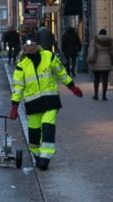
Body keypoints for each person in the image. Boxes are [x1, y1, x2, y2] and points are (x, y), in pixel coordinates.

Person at [10, 36, 83, 169]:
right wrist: (14, 106)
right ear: (24, 48)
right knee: (34, 133)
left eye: (32, 45)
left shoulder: (48, 56)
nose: (30, 48)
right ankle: (37, 155)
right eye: (27, 46)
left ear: (36, 45)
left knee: (48, 127)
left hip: (50, 101)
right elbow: (18, 87)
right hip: (33, 103)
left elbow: (61, 73)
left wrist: (71, 86)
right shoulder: (21, 65)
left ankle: (45, 158)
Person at [87, 28, 113, 100]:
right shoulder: (109, 41)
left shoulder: (95, 41)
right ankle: (104, 96)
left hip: (96, 61)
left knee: (96, 79)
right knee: (105, 80)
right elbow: (111, 52)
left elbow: (91, 50)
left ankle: (96, 95)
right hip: (106, 61)